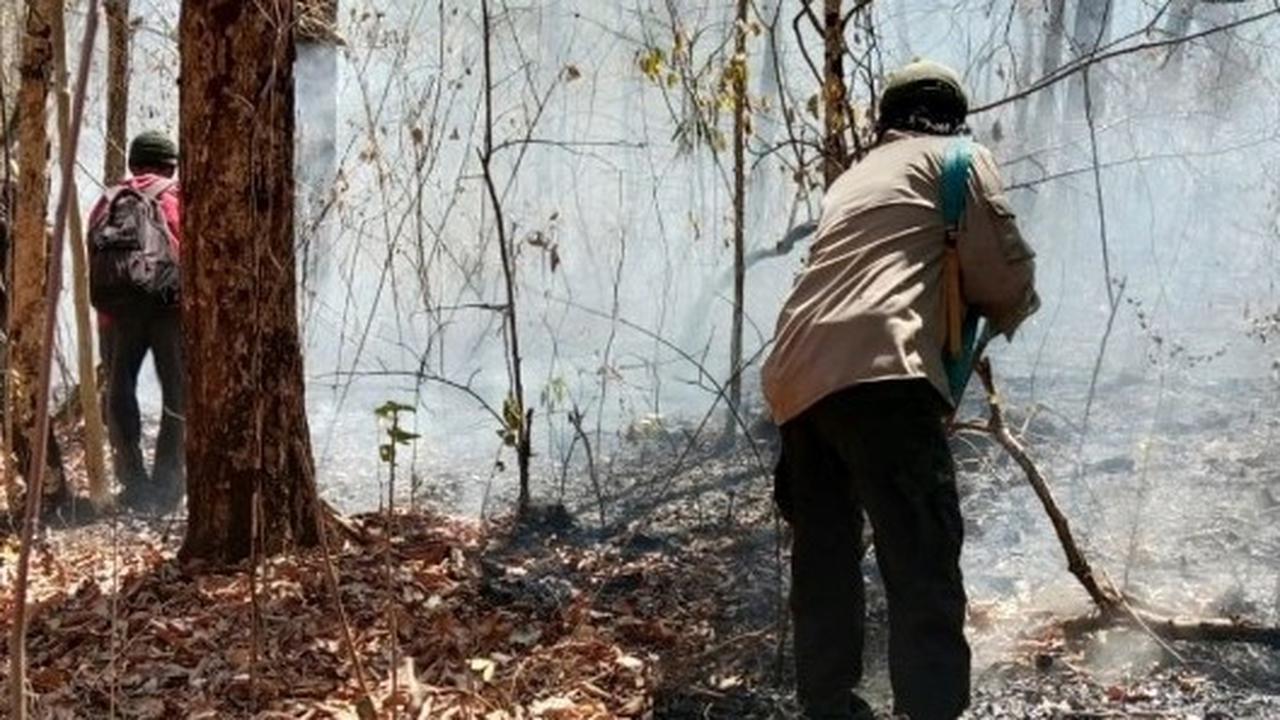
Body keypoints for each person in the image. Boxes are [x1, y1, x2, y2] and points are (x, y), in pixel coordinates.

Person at [763, 60, 1039, 720]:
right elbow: (1002, 274)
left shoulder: (852, 180)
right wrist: (1014, 304)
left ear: (886, 119)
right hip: (885, 373)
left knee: (824, 565)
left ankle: (828, 708)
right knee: (922, 565)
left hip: (797, 378)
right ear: (952, 115)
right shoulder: (958, 159)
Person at [89, 130, 185, 513]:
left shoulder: (107, 201)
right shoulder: (177, 197)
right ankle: (168, 482)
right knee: (178, 394)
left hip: (116, 313)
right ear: (169, 165)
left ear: (132, 163)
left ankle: (132, 482)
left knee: (119, 392)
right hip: (168, 310)